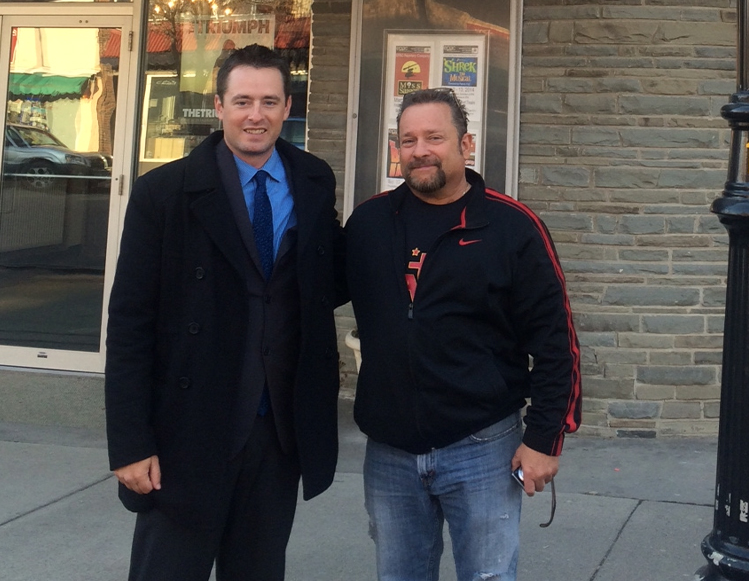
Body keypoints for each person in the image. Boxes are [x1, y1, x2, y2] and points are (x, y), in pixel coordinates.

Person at [105, 44, 347, 581]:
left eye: (268, 101)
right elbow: (129, 325)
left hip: (277, 427)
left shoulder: (313, 180)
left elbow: (324, 277)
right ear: (218, 106)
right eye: (242, 101)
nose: (255, 115)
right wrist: (129, 443)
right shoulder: (163, 194)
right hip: (187, 430)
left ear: (288, 107)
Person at [347, 87, 580, 581]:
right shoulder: (368, 222)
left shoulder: (511, 226)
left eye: (434, 136)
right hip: (389, 452)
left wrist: (545, 439)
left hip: (482, 446)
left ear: (466, 144)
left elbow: (557, 344)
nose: (419, 150)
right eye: (407, 140)